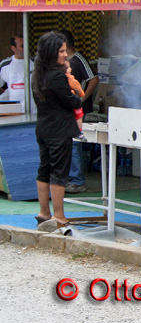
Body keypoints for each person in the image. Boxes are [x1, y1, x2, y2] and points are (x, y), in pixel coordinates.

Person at [31, 31, 82, 228]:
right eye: (61, 51)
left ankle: (44, 212)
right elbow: (72, 101)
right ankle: (59, 216)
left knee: (45, 169)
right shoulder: (56, 77)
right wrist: (76, 91)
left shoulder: (38, 73)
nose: (65, 54)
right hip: (59, 129)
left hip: (43, 127)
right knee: (59, 171)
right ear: (52, 52)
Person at [60, 30, 98, 193]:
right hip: (65, 109)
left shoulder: (78, 59)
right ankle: (69, 178)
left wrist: (82, 99)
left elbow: (94, 79)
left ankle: (77, 180)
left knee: (74, 143)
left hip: (77, 110)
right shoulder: (63, 61)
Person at [0, 35, 35, 113]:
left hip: (34, 112)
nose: (25, 48)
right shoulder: (5, 65)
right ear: (13, 48)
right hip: (14, 112)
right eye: (22, 46)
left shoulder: (36, 63)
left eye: (27, 45)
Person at [63, 59, 86, 141]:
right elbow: (80, 91)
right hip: (73, 101)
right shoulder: (71, 80)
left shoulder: (58, 79)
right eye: (68, 67)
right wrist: (82, 95)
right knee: (79, 115)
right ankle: (79, 132)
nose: (70, 69)